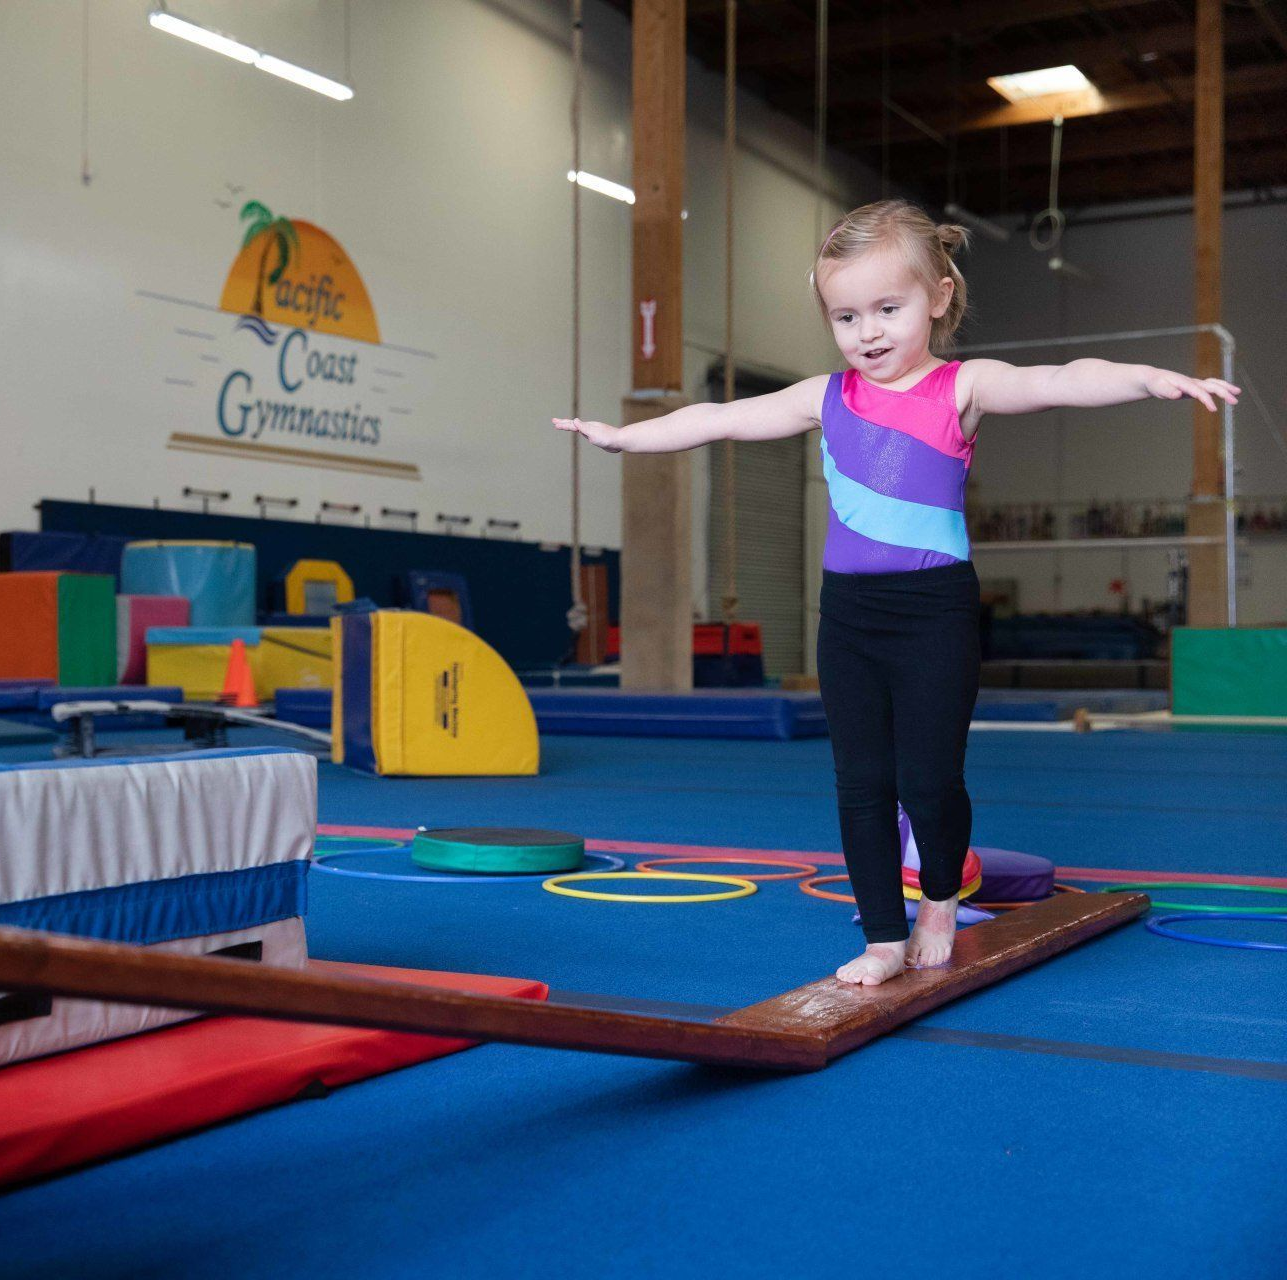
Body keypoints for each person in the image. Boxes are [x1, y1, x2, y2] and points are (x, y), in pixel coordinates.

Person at [552, 198, 1239, 987]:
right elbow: (722, 417)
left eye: (887, 308)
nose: (867, 331)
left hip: (933, 611)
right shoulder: (826, 396)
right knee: (860, 781)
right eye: (846, 316)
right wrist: (626, 435)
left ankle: (938, 901)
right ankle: (883, 936)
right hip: (847, 615)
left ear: (938, 297)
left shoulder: (960, 386)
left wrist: (1148, 379)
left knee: (927, 779)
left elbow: (1058, 380)